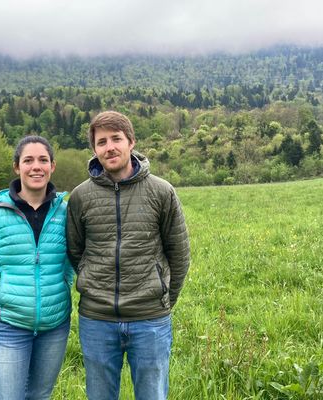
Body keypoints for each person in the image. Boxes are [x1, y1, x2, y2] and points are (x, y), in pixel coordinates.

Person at [66, 111, 190, 400]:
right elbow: (75, 250)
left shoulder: (162, 192)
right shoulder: (81, 197)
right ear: (94, 149)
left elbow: (179, 252)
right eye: (101, 141)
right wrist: (93, 284)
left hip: (150, 320)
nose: (109, 147)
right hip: (96, 319)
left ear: (131, 142)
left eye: (116, 139)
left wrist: (162, 299)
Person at [0, 136, 73, 400]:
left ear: (52, 166)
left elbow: (71, 259)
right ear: (17, 167)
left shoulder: (65, 212)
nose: (36, 166)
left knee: (40, 396)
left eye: (43, 160)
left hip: (55, 326)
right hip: (9, 326)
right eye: (28, 160)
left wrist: (64, 286)